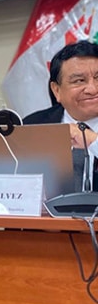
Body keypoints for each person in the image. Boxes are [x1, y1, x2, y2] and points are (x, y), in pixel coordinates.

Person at [24, 40, 98, 191]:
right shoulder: (31, 127)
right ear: (56, 90)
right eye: (79, 81)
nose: (92, 89)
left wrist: (92, 141)